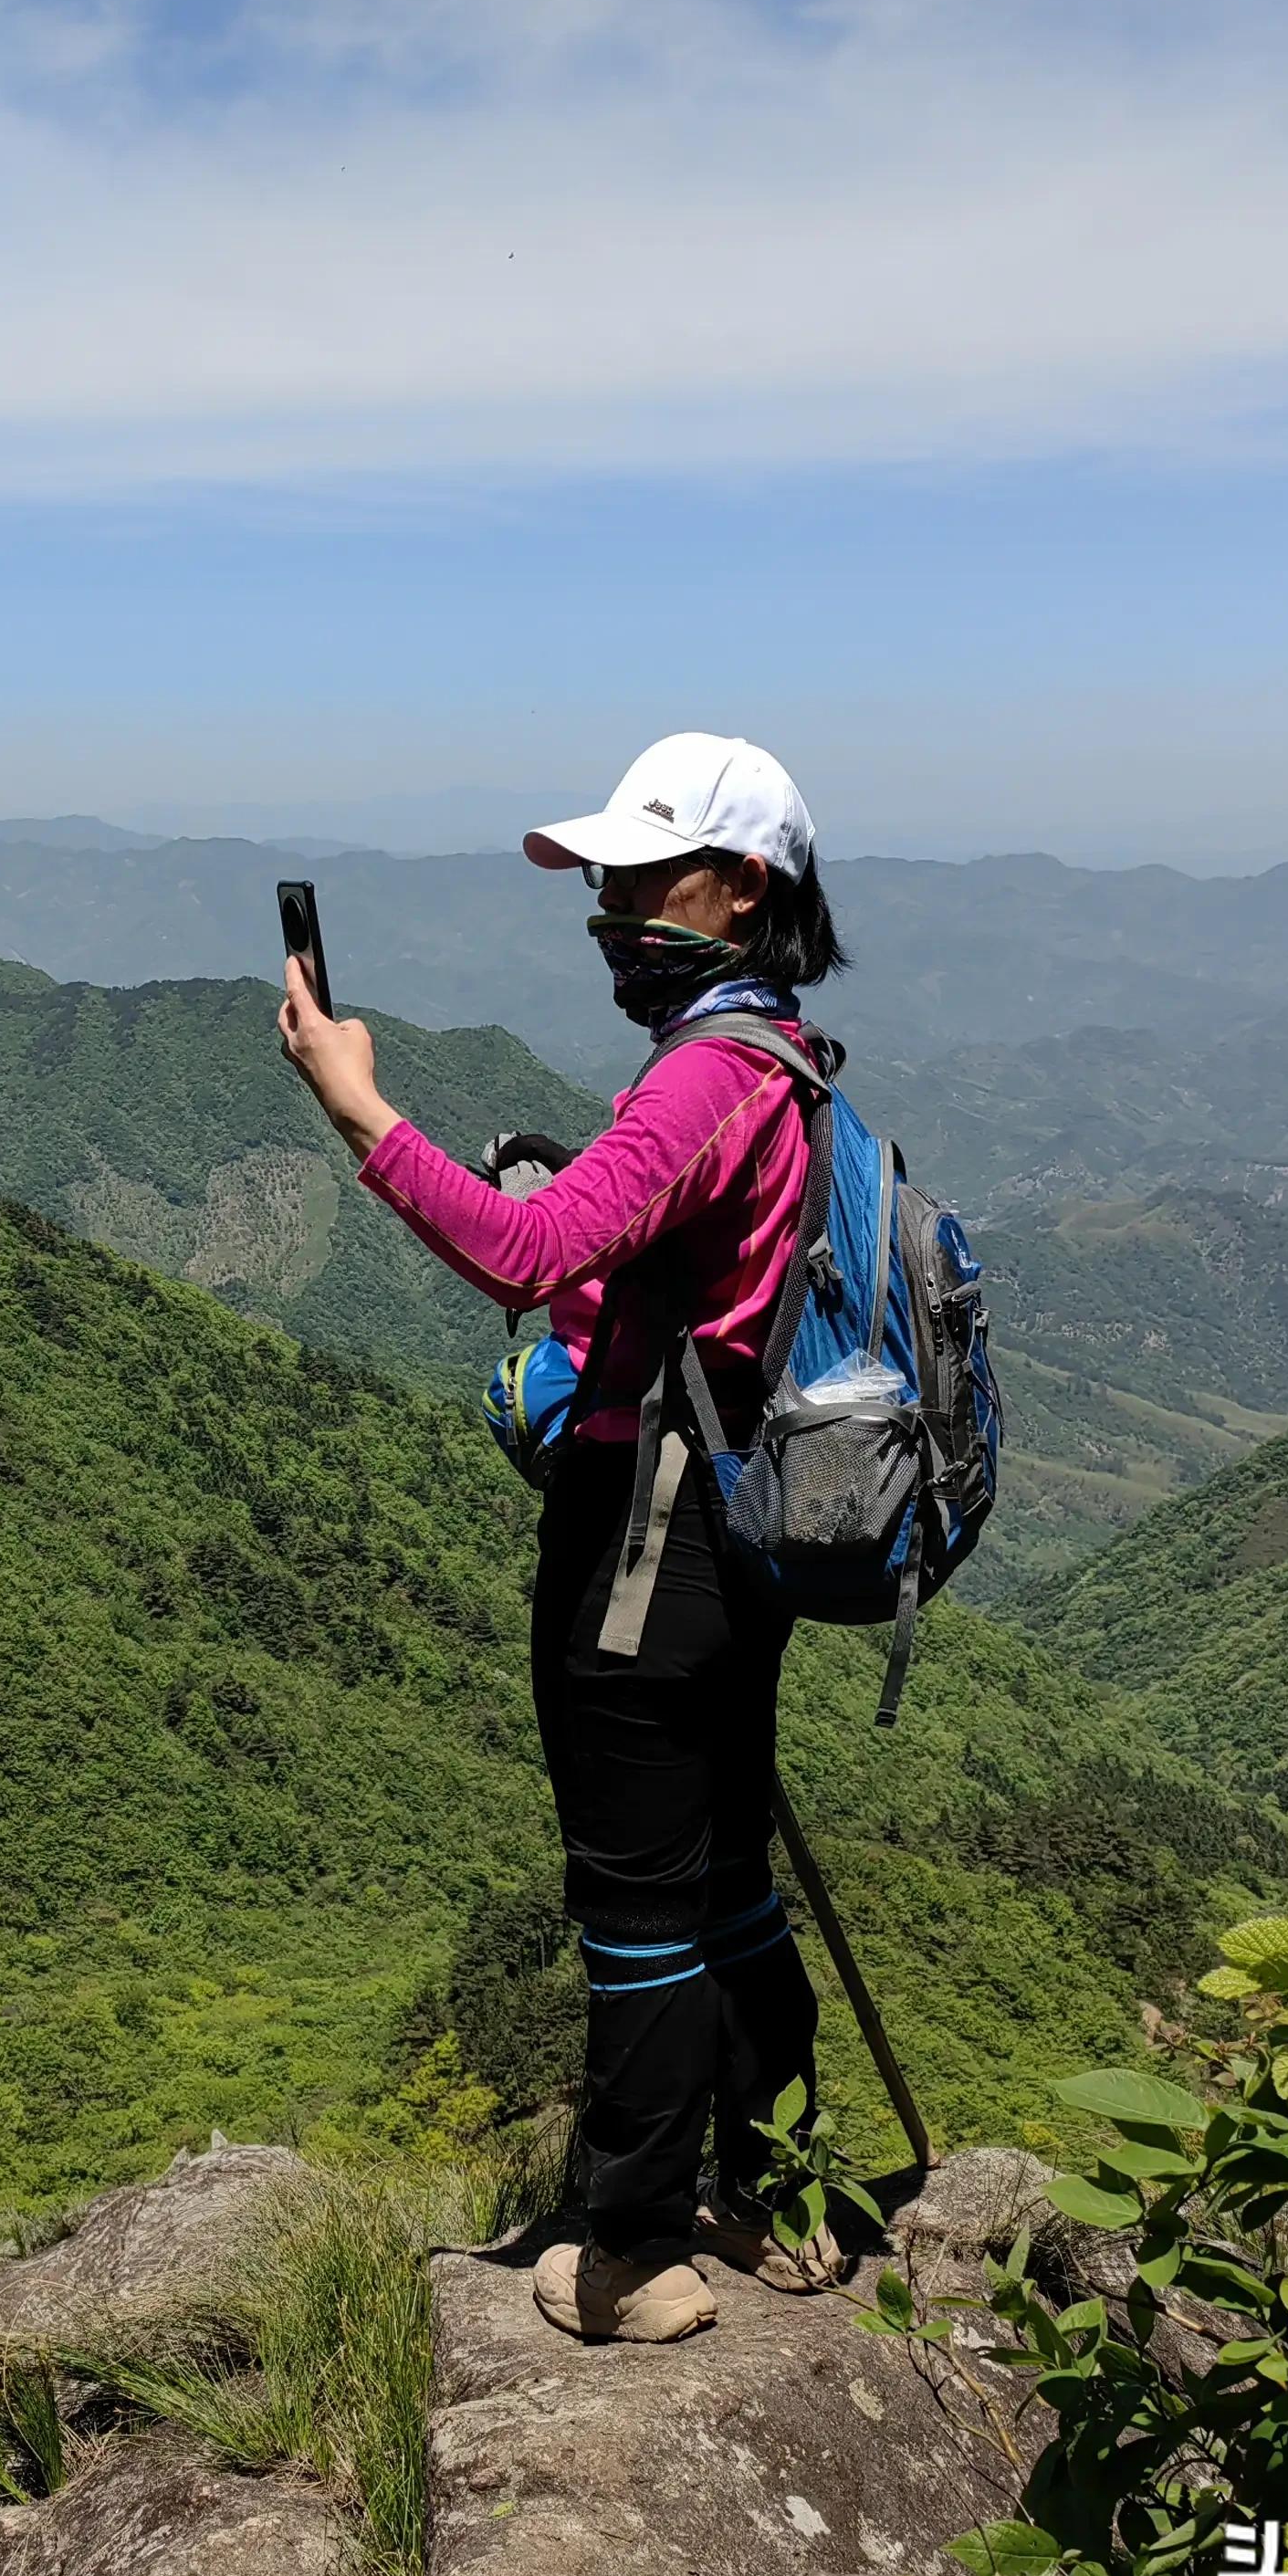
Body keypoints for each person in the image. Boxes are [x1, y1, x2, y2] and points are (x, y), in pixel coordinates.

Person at [277, 730, 844, 2346]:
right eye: (602, 882)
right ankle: (766, 2180)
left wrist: (359, 1109)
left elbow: (524, 1251)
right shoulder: (782, 1057)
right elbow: (699, 1288)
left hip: (648, 1547)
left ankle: (637, 2251)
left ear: (742, 889)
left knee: (635, 1907)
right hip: (736, 1532)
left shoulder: (701, 1076)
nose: (609, 912)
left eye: (640, 879)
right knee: (723, 1874)